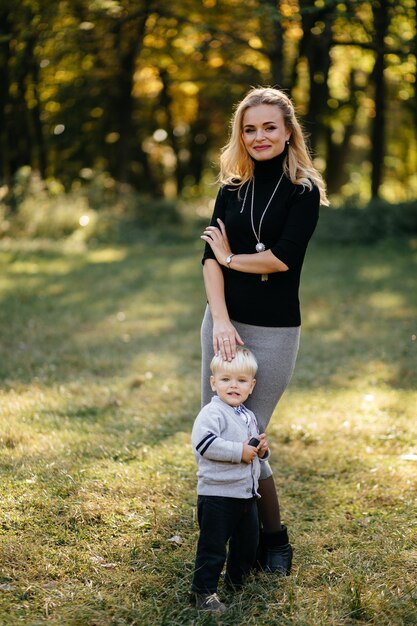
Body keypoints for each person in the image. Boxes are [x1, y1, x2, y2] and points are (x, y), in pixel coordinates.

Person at [200, 86, 329, 575]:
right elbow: (207, 263)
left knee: (250, 436)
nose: (259, 137)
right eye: (249, 128)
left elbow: (280, 259)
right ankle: (232, 541)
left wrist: (231, 257)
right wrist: (222, 321)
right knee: (220, 431)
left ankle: (274, 541)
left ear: (288, 130)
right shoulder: (231, 188)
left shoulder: (303, 191)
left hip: (274, 330)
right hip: (222, 325)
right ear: (240, 134)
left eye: (269, 127)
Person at [191, 347, 269, 613]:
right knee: (213, 546)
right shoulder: (212, 414)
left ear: (252, 386)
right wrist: (240, 452)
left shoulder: (248, 415)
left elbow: (252, 448)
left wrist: (261, 450)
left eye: (241, 381)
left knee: (247, 543)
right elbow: (205, 444)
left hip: (246, 495)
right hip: (218, 495)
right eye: (225, 379)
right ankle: (204, 592)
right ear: (213, 383)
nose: (233, 386)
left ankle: (236, 583)